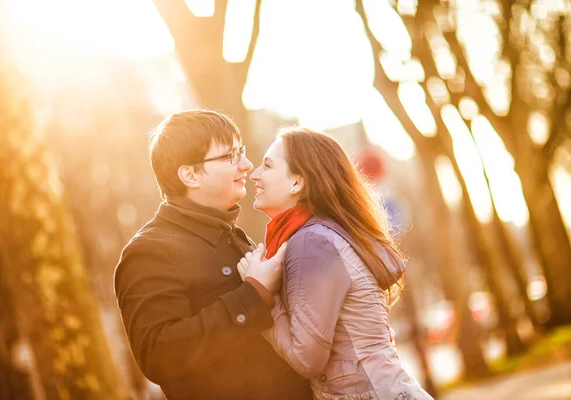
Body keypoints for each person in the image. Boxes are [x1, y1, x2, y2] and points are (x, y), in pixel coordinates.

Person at [114, 110, 312, 400]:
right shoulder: (149, 251)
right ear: (190, 174)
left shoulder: (233, 236)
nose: (246, 165)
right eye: (229, 156)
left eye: (241, 151)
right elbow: (159, 354)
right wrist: (252, 295)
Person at [238, 128, 434, 400]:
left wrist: (263, 296)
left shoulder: (313, 243)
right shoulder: (325, 235)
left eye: (268, 165)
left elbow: (307, 359)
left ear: (298, 183)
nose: (255, 174)